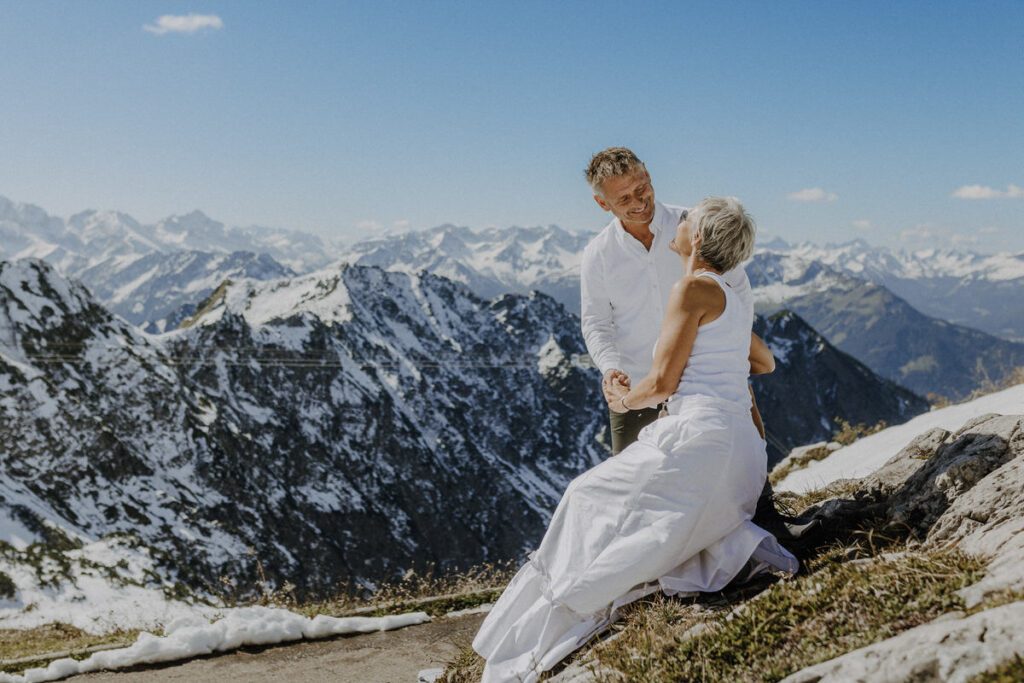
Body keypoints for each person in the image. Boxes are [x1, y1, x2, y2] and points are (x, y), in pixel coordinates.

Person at [472, 197, 799, 683]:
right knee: (628, 514)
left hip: (699, 438)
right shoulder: (732, 290)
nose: (680, 218)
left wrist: (622, 401)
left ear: (700, 239)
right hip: (743, 453)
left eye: (688, 218)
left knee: (584, 496)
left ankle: (551, 615)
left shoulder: (690, 287)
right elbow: (765, 363)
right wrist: (720, 368)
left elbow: (662, 384)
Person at [579, 147, 814, 542]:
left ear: (650, 176)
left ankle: (767, 528)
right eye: (625, 199)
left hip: (706, 378)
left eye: (643, 188)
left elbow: (737, 298)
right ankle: (654, 563)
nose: (640, 203)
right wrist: (610, 369)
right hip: (639, 382)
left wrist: (726, 356)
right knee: (635, 487)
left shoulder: (694, 226)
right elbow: (597, 323)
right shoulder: (598, 255)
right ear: (602, 203)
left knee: (740, 462)